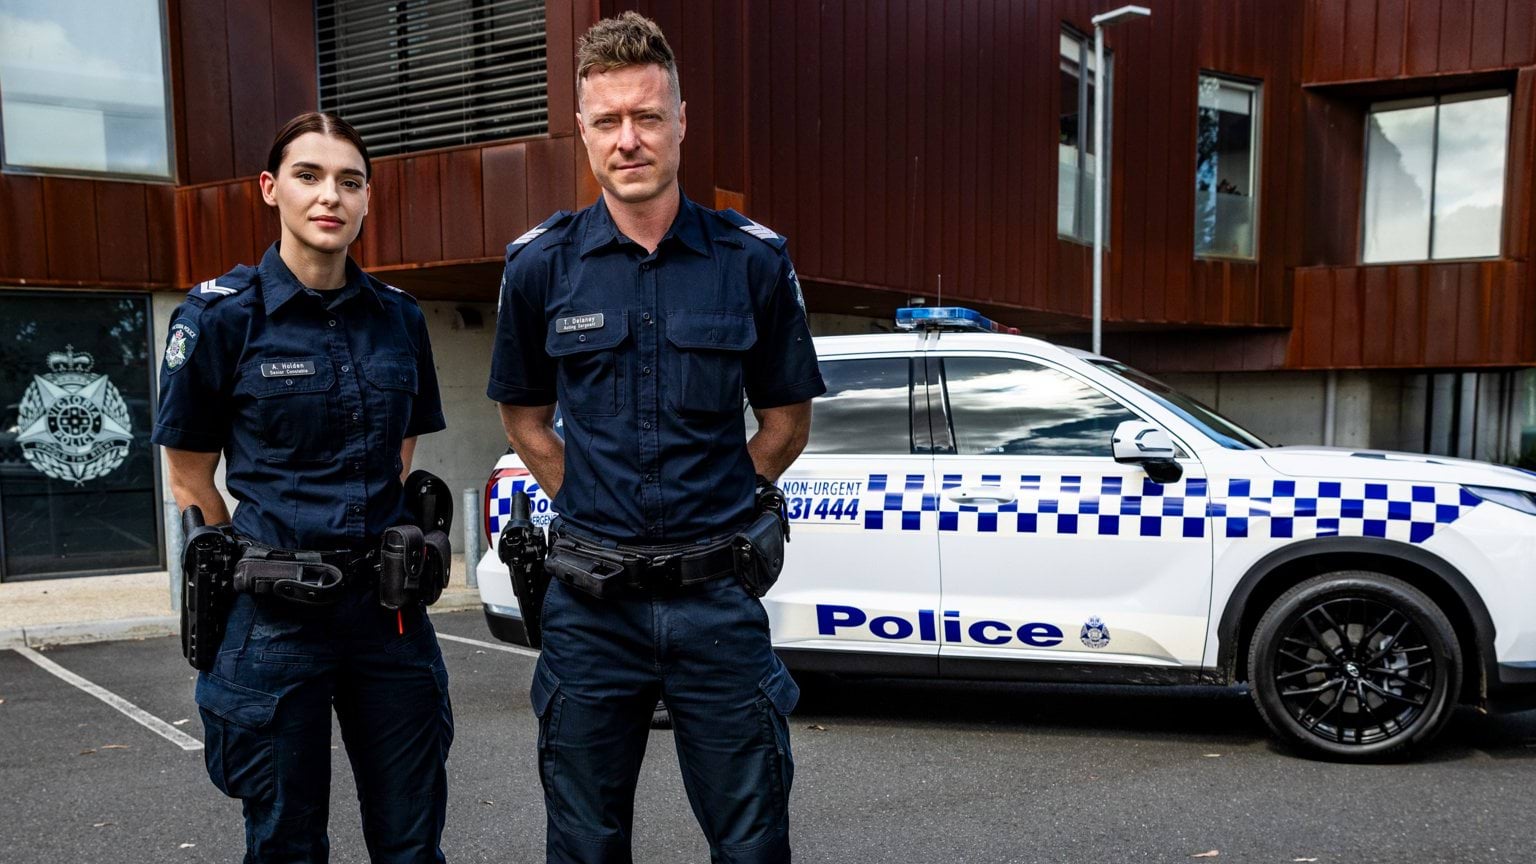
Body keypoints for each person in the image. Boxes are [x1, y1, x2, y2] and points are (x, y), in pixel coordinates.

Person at [488, 12, 824, 864]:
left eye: (647, 116)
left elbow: (785, 420)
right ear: (583, 131)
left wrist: (717, 492)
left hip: (717, 602)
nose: (628, 139)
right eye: (608, 121)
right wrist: (589, 497)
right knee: (585, 845)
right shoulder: (539, 267)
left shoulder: (751, 259)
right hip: (588, 609)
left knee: (752, 844)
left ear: (681, 120)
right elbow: (524, 416)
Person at [153, 112, 454, 864]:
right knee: (286, 842)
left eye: (350, 181)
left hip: (387, 616)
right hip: (276, 620)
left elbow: (397, 457)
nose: (331, 197)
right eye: (309, 176)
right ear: (269, 189)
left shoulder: (400, 319)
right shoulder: (221, 317)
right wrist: (242, 566)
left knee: (412, 841)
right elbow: (189, 476)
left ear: (366, 199)